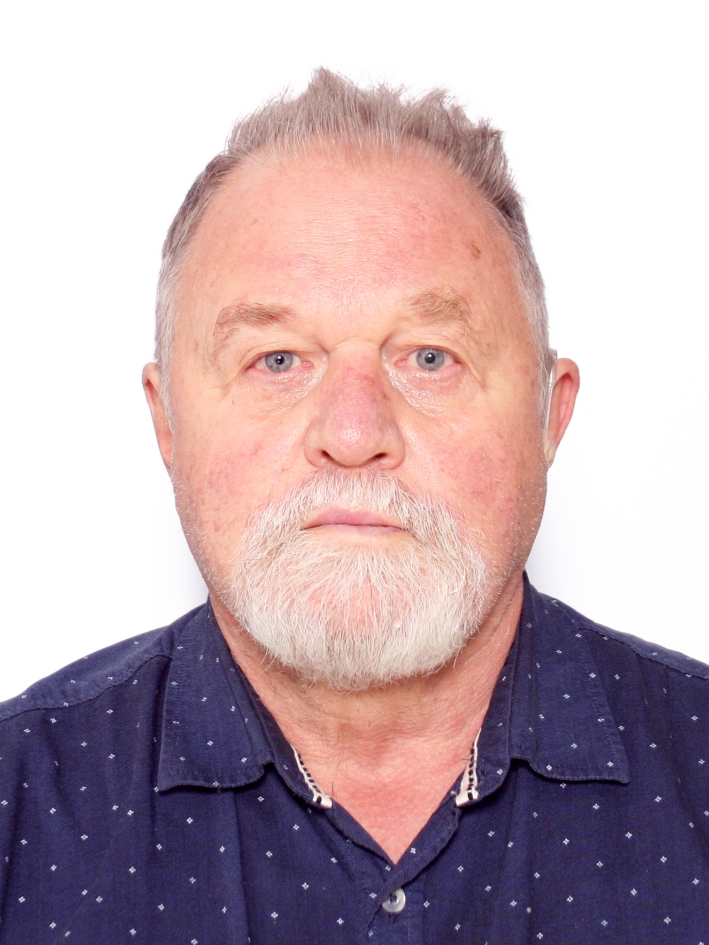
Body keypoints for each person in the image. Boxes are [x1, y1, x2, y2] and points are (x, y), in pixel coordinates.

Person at [1, 69, 708, 945]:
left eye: (429, 357)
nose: (353, 432)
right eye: (277, 359)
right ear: (167, 421)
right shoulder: (17, 807)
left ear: (547, 414)